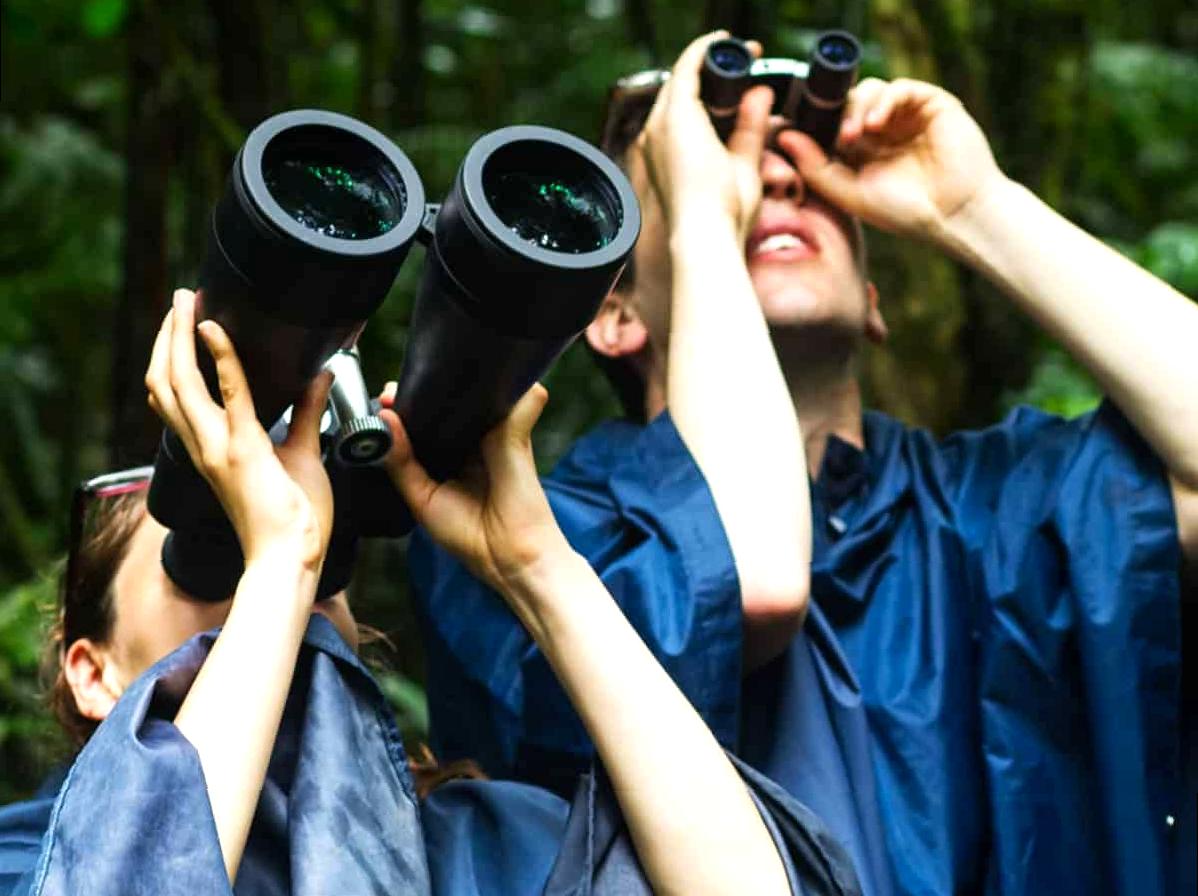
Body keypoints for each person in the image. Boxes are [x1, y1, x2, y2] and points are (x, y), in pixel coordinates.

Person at [407, 31, 1198, 896]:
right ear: (613, 314)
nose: (772, 177)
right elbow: (749, 575)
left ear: (873, 302)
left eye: (800, 158)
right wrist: (709, 225)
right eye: (701, 167)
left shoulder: (995, 505)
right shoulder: (507, 529)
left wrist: (974, 209)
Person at [0, 289, 860, 896]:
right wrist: (278, 565)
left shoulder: (492, 839)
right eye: (213, 547)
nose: (289, 552)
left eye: (317, 562)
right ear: (92, 669)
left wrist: (540, 569)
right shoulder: (30, 857)